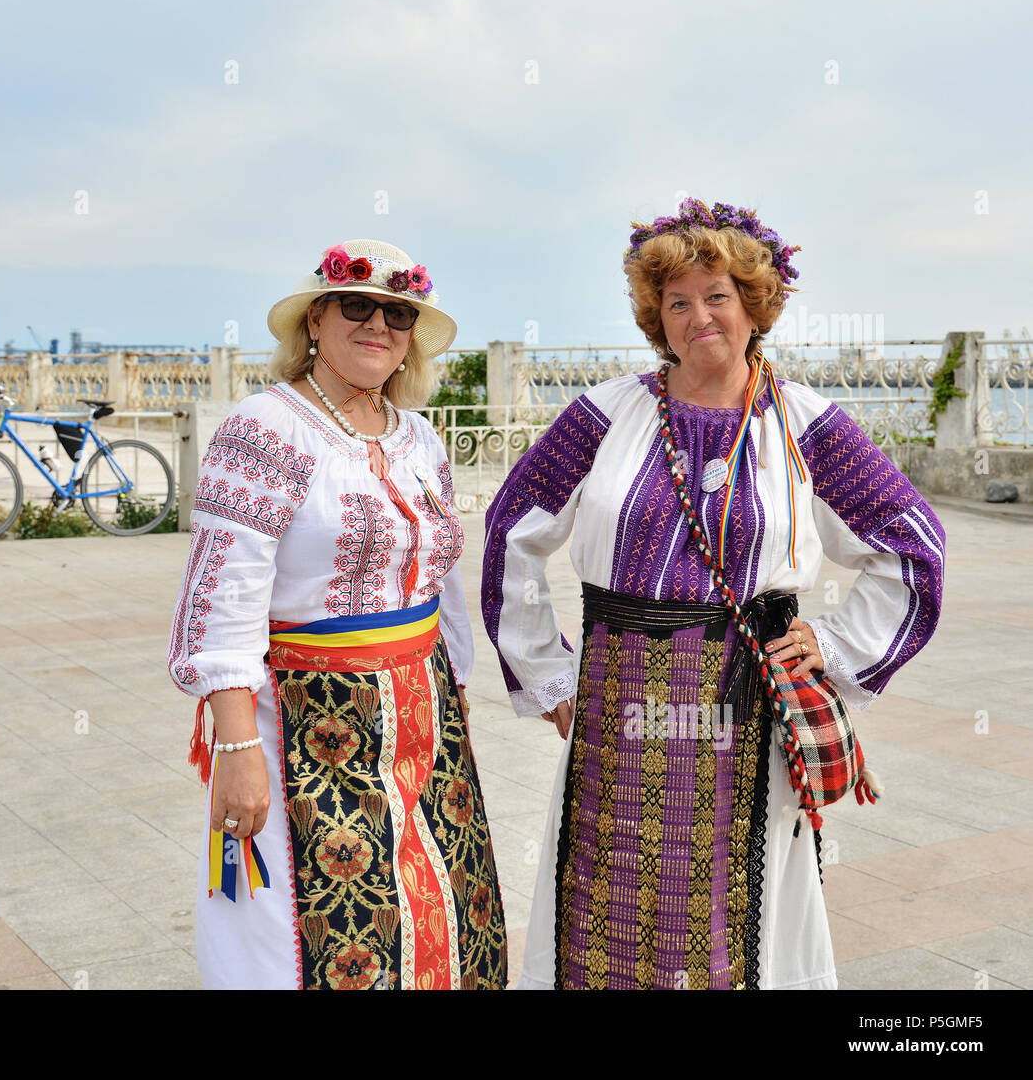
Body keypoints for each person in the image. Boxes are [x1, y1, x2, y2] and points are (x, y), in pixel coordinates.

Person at [481, 198, 945, 990]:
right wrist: (547, 674)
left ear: (754, 304)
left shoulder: (805, 424)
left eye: (718, 296)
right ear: (656, 317)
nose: (699, 317)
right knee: (608, 890)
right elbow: (510, 528)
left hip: (746, 701)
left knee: (737, 911)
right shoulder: (607, 414)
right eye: (678, 302)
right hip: (619, 703)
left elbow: (913, 543)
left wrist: (833, 644)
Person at [169, 239, 508, 990]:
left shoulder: (418, 436)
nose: (378, 324)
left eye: (398, 313)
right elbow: (224, 599)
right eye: (357, 305)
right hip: (306, 716)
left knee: (442, 905)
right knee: (308, 927)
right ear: (315, 320)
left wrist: (454, 689)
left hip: (421, 715)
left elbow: (441, 580)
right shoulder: (265, 428)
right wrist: (236, 750)